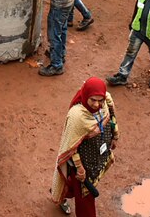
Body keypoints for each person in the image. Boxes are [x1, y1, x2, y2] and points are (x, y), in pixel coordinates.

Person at [50, 77, 119, 217]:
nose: (97, 104)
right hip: (83, 166)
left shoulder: (106, 101)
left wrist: (115, 135)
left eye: (100, 100)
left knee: (74, 187)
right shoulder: (77, 116)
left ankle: (61, 192)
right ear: (86, 95)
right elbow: (70, 146)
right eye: (93, 100)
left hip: (99, 157)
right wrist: (80, 169)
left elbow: (112, 116)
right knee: (85, 198)